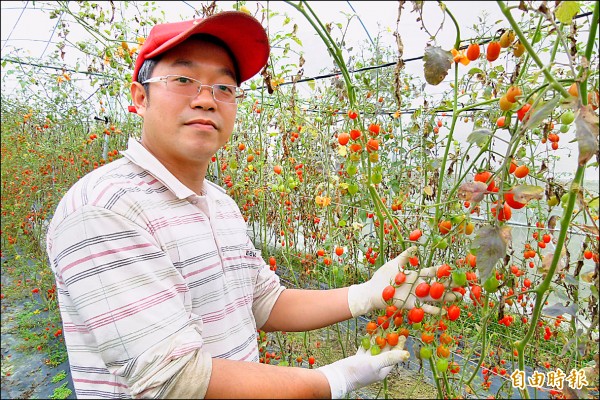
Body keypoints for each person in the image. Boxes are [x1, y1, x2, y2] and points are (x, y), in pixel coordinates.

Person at [46, 10, 456, 399]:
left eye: (224, 87)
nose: (206, 100)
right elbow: (174, 380)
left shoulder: (220, 203)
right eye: (184, 80)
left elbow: (263, 301)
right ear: (140, 97)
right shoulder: (105, 208)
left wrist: (367, 294)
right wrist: (334, 379)